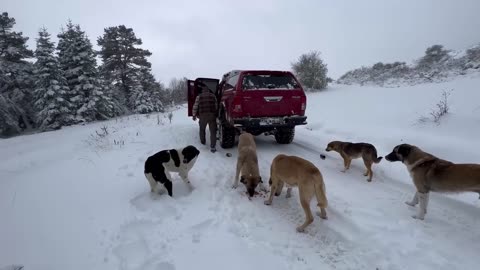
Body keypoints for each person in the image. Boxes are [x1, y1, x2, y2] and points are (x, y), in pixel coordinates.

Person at [192, 83, 218, 153]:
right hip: (212, 115)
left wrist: (194, 115)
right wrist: (215, 114)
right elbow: (216, 105)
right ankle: (213, 147)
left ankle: (203, 143)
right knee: (213, 131)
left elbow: (195, 106)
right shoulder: (213, 96)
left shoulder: (199, 96)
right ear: (208, 90)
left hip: (203, 115)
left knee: (202, 129)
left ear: (203, 91)